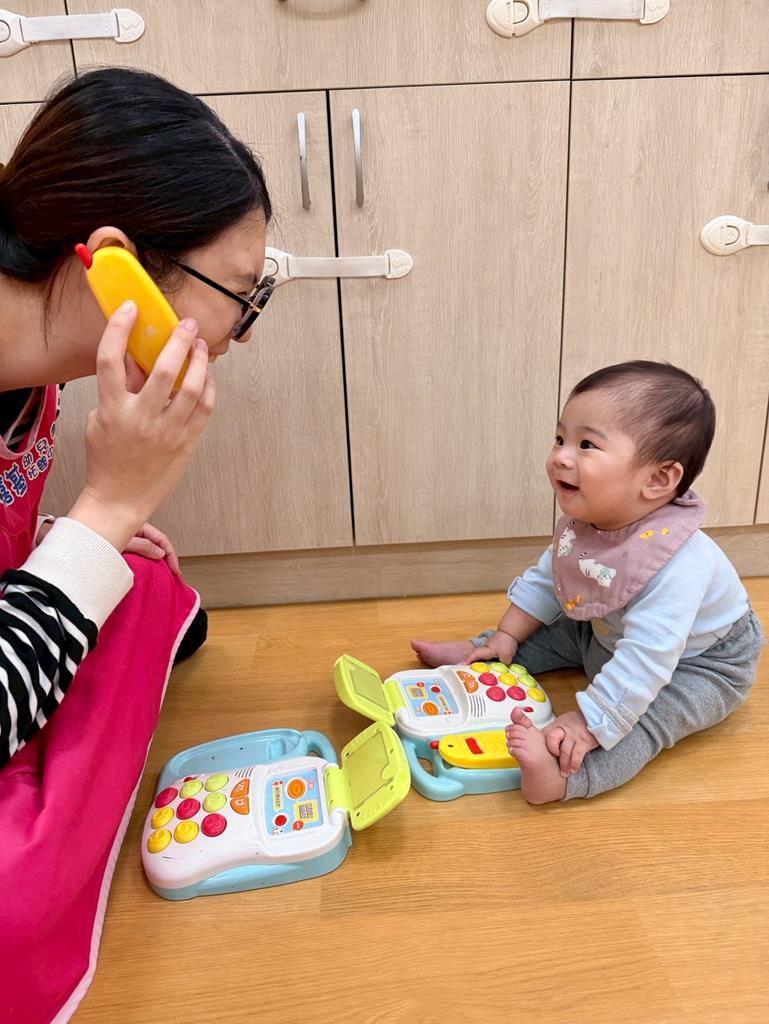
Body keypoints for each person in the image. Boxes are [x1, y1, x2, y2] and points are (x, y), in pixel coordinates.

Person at [0, 68, 272, 1022]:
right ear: (114, 264)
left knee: (140, 580)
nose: (237, 334)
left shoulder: (36, 363)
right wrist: (105, 508)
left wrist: (65, 535)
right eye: (238, 295)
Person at [412, 361, 765, 805]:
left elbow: (647, 657)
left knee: (640, 723)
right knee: (555, 629)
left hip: (695, 665)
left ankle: (564, 779)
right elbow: (551, 576)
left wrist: (586, 721)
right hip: (608, 632)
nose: (561, 456)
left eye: (586, 445)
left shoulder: (679, 563)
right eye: (560, 438)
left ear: (658, 479)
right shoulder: (591, 522)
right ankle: (482, 652)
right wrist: (506, 634)